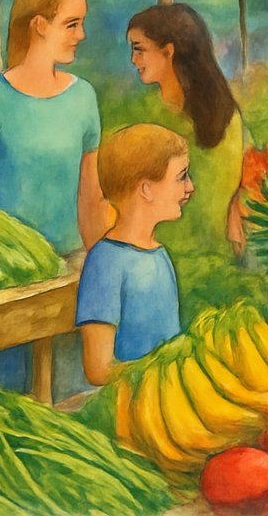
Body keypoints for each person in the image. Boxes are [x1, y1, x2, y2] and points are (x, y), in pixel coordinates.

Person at [0, 0, 106, 255]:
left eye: (81, 23)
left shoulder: (83, 97)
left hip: (74, 264)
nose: (82, 35)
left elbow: (90, 199)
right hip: (8, 268)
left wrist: (100, 265)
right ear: (40, 25)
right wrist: (19, 255)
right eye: (71, 24)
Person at [126, 3, 246, 258]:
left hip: (204, 255)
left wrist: (234, 207)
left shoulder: (226, 116)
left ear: (169, 51)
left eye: (139, 50)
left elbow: (244, 177)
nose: (133, 60)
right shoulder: (142, 112)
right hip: (156, 252)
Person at [76, 124, 191, 384]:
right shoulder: (106, 262)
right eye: (181, 176)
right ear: (146, 189)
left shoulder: (160, 255)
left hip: (166, 396)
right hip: (126, 404)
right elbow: (99, 370)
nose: (190, 187)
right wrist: (158, 373)